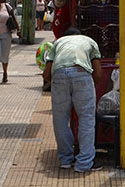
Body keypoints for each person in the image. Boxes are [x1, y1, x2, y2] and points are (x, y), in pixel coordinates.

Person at [41, 25, 104, 172]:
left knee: (60, 120)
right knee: (86, 118)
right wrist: (88, 85)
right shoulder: (89, 41)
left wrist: (56, 83)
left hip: (59, 74)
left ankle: (65, 160)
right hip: (81, 72)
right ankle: (84, 163)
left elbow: (46, 74)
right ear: (79, 35)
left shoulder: (58, 43)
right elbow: (98, 73)